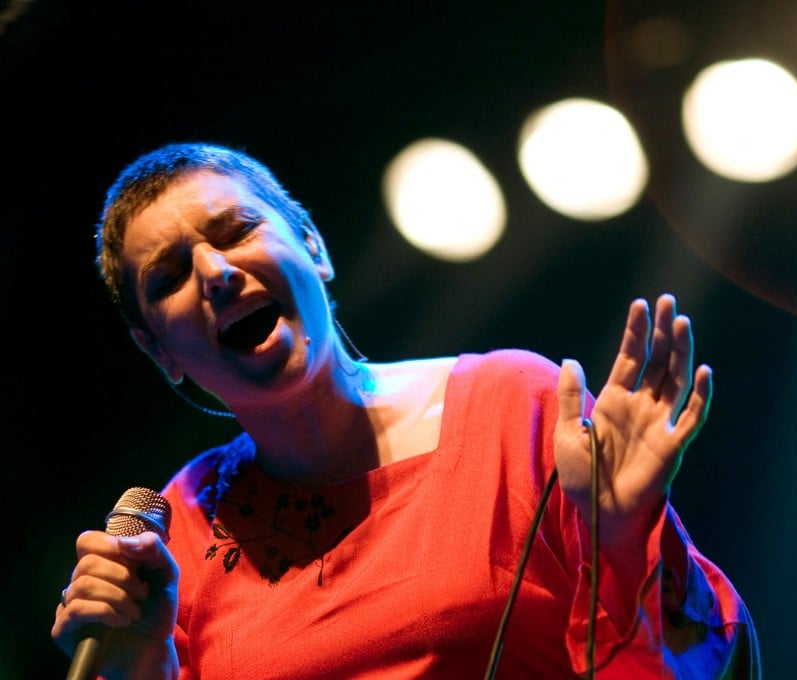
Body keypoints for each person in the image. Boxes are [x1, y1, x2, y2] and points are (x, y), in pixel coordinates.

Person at [51, 141, 760, 679]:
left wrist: (625, 536)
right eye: (170, 275)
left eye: (235, 230)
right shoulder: (180, 526)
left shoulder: (513, 406)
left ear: (314, 247)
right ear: (158, 351)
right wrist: (141, 664)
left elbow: (701, 662)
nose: (215, 271)